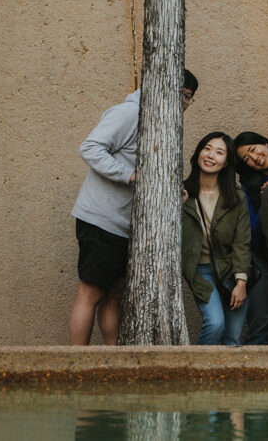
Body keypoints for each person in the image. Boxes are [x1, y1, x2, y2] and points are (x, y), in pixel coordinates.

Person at [68, 69, 197, 345]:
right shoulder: (129, 113)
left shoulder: (167, 126)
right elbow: (90, 148)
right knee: (90, 293)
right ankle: (76, 361)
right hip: (103, 220)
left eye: (189, 98)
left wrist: (173, 195)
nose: (184, 103)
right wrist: (131, 175)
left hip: (130, 228)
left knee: (115, 295)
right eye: (182, 94)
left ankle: (115, 360)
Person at [181, 132, 251, 345]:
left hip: (232, 270)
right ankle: (195, 366)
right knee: (215, 323)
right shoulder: (182, 193)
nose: (211, 155)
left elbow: (241, 242)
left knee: (232, 339)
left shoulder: (236, 198)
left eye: (219, 152)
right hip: (200, 271)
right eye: (207, 148)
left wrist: (241, 282)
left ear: (226, 162)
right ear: (198, 153)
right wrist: (178, 206)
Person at [233, 131, 268, 345]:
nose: (254, 158)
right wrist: (265, 200)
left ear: (265, 143)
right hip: (263, 261)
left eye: (253, 149)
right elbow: (252, 234)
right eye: (247, 159)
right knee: (261, 322)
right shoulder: (250, 186)